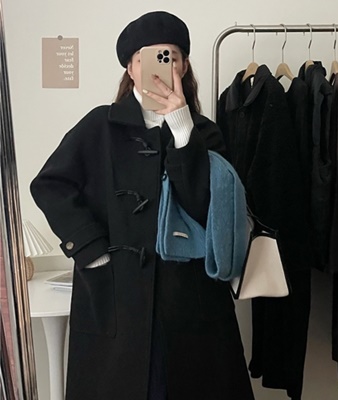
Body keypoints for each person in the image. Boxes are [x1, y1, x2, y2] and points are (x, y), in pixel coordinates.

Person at [30, 11, 255, 400]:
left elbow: (210, 211)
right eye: (147, 57)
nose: (160, 66)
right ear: (131, 69)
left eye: (170, 56)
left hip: (190, 306)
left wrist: (182, 131)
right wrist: (90, 250)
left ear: (183, 66)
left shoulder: (204, 132)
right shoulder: (99, 126)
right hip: (116, 302)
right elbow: (49, 185)